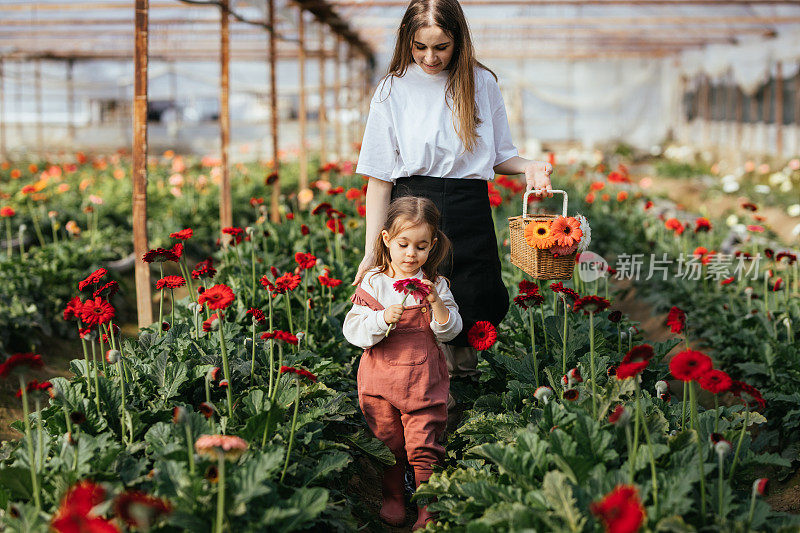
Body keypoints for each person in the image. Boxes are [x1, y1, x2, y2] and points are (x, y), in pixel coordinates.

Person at [352, 0, 553, 399]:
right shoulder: (392, 88)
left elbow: (500, 156)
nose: (430, 57)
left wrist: (531, 166)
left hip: (468, 206)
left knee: (472, 297)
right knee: (413, 301)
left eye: (441, 47)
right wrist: (372, 250)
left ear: (458, 40)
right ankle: (413, 396)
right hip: (412, 207)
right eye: (420, 46)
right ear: (407, 40)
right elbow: (378, 178)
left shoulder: (482, 83)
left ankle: (461, 401)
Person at [343, 196, 463, 529]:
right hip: (380, 383)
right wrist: (381, 319)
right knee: (389, 444)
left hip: (424, 382)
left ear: (432, 246)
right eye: (404, 244)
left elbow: (451, 330)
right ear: (386, 240)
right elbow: (352, 330)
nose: (411, 253)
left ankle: (428, 505)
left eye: (421, 246)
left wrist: (436, 302)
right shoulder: (374, 283)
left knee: (424, 446)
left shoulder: (436, 285)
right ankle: (394, 497)